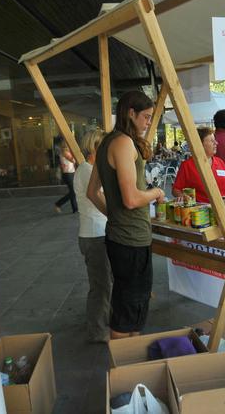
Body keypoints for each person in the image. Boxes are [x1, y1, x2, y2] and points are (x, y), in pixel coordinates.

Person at [87, 91, 165, 340]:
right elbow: (131, 198)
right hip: (131, 239)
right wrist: (156, 192)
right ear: (130, 113)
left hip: (122, 236)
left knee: (129, 303)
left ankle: (129, 366)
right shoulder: (122, 143)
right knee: (128, 308)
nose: (147, 123)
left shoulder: (107, 143)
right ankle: (124, 369)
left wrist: (114, 215)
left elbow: (92, 192)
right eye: (145, 117)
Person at [73, 129, 111, 343]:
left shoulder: (91, 169)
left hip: (97, 232)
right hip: (94, 234)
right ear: (94, 147)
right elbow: (101, 197)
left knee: (105, 282)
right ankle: (97, 330)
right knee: (101, 285)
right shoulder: (88, 170)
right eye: (104, 146)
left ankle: (102, 321)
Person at [171, 127, 225, 204]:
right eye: (212, 141)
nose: (216, 143)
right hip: (200, 213)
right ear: (200, 144)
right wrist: (182, 196)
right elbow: (176, 190)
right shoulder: (187, 165)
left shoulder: (220, 162)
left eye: (215, 140)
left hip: (224, 210)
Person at [54, 140, 77, 213]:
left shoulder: (65, 152)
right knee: (73, 192)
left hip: (70, 173)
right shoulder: (65, 152)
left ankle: (75, 209)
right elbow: (73, 160)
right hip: (68, 174)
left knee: (72, 192)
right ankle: (58, 204)